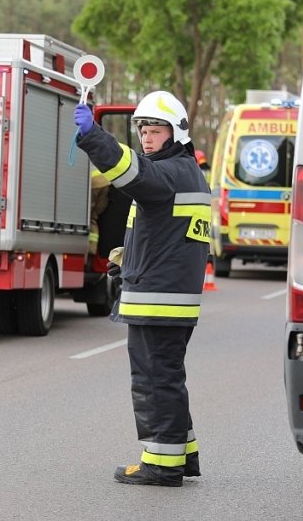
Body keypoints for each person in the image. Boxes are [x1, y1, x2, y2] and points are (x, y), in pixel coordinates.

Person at [73, 91, 211, 487]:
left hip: (158, 302)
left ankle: (161, 465)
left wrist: (93, 135)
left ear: (176, 133)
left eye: (155, 131)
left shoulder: (166, 174)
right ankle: (182, 455)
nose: (147, 139)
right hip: (169, 297)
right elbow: (170, 238)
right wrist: (128, 259)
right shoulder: (187, 173)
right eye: (143, 131)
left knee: (154, 382)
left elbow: (130, 171)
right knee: (167, 377)